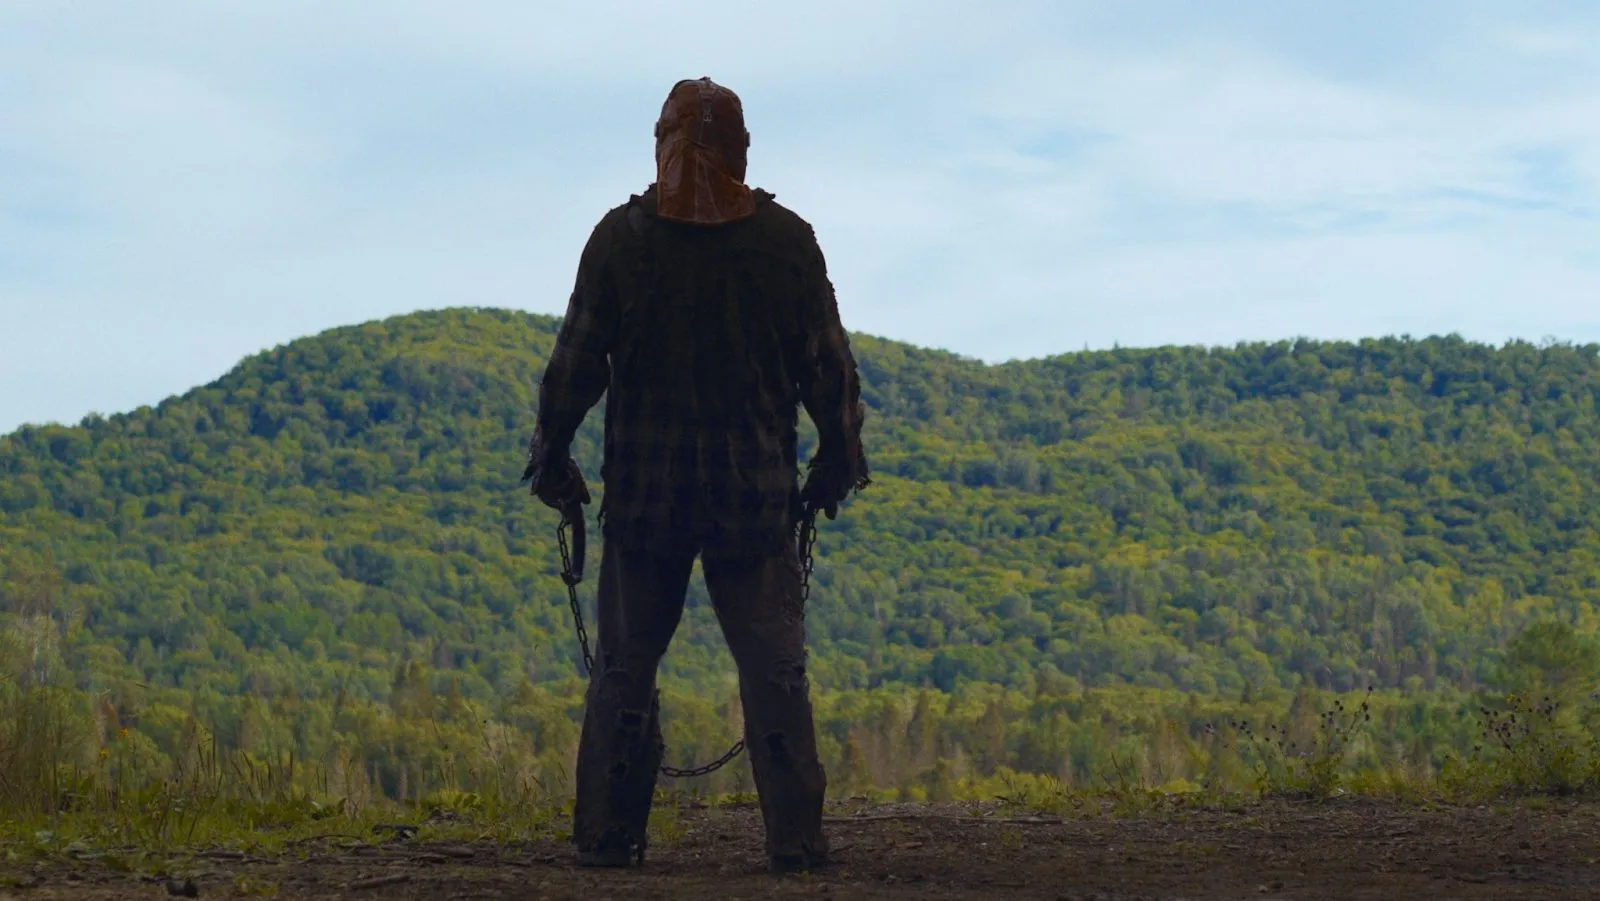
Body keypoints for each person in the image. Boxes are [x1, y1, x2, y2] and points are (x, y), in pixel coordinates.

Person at [522, 76, 869, 874]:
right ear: (741, 151)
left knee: (624, 667)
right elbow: (828, 370)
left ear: (664, 145)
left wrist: (553, 456)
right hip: (754, 497)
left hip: (646, 500)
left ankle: (609, 835)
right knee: (774, 670)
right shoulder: (785, 244)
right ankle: (795, 838)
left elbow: (574, 364)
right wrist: (837, 461)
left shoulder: (621, 242)